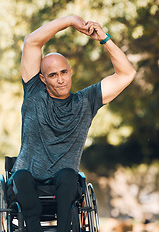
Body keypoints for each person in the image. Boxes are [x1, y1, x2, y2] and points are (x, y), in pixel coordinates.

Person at [8, 15, 136, 232]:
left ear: (71, 72)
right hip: (27, 183)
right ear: (42, 79)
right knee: (21, 176)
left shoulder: (86, 101)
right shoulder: (34, 94)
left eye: (64, 72)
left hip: (64, 185)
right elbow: (31, 42)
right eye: (53, 75)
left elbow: (127, 74)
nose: (60, 79)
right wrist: (69, 21)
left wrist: (104, 38)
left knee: (68, 175)